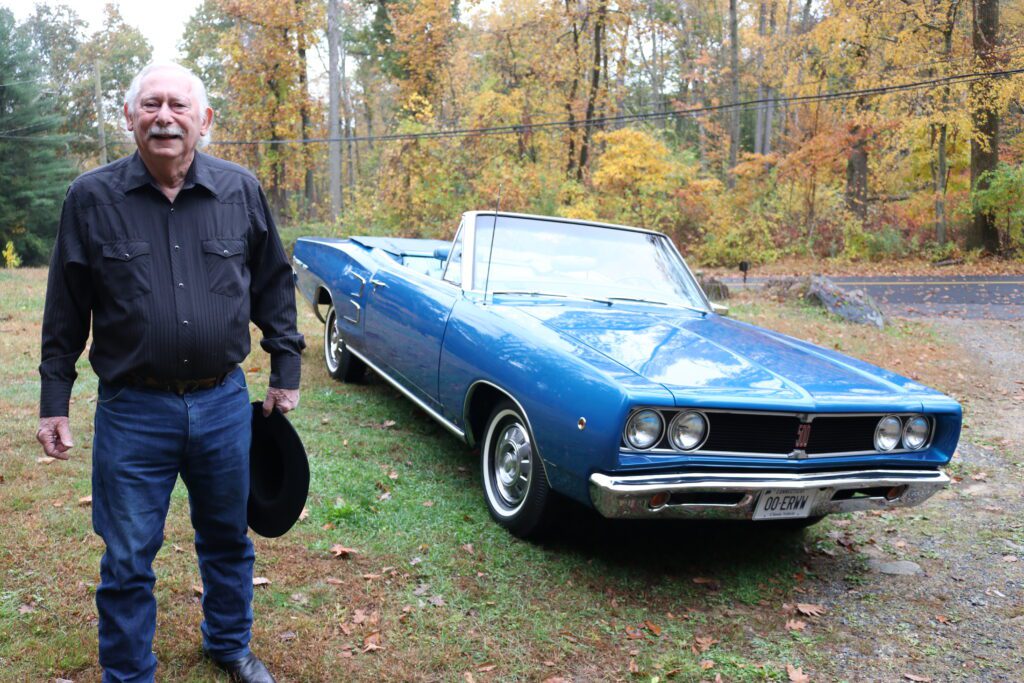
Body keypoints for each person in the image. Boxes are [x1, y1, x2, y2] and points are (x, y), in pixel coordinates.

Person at [36, 61, 304, 683]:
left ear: (203, 120)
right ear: (130, 119)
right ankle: (129, 672)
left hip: (223, 405)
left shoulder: (240, 191)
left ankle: (230, 645)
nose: (164, 117)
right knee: (128, 556)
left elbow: (272, 284)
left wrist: (285, 366)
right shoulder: (91, 199)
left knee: (228, 538)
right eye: (150, 105)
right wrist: (55, 399)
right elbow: (66, 306)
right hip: (133, 410)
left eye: (178, 106)